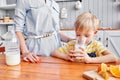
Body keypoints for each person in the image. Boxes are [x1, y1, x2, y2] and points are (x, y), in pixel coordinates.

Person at [52, 12, 117, 63]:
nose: (81, 39)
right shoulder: (72, 44)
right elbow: (54, 53)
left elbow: (113, 57)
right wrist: (65, 56)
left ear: (95, 33)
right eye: (78, 35)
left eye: (86, 36)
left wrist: (90, 60)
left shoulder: (96, 45)